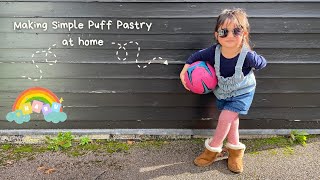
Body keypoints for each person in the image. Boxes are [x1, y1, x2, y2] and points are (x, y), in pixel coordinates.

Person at [180, 8, 267, 173]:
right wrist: (184, 71)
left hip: (243, 92)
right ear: (216, 34)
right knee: (232, 121)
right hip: (223, 92)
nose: (230, 36)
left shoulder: (247, 56)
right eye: (224, 31)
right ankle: (235, 152)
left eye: (236, 31)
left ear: (244, 33)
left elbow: (263, 63)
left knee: (225, 119)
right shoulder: (214, 52)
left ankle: (213, 150)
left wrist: (257, 58)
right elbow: (194, 57)